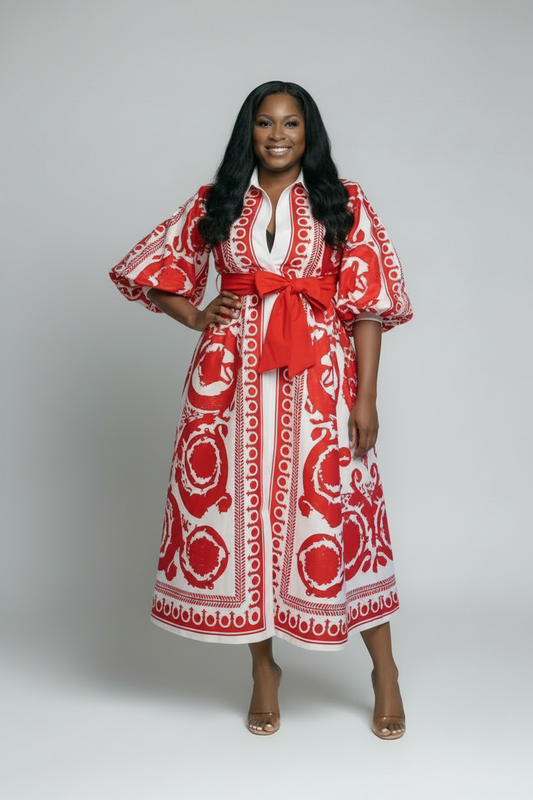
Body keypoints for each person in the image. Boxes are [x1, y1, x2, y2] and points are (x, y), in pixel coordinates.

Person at [110, 80, 412, 739]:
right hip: (233, 378)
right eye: (265, 123)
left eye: (291, 124)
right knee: (242, 519)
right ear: (248, 131)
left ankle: (384, 672)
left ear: (309, 133)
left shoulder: (342, 201)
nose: (277, 135)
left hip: (320, 379)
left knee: (339, 517)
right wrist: (193, 312)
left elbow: (366, 305)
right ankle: (263, 669)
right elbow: (153, 265)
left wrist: (365, 396)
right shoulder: (216, 201)